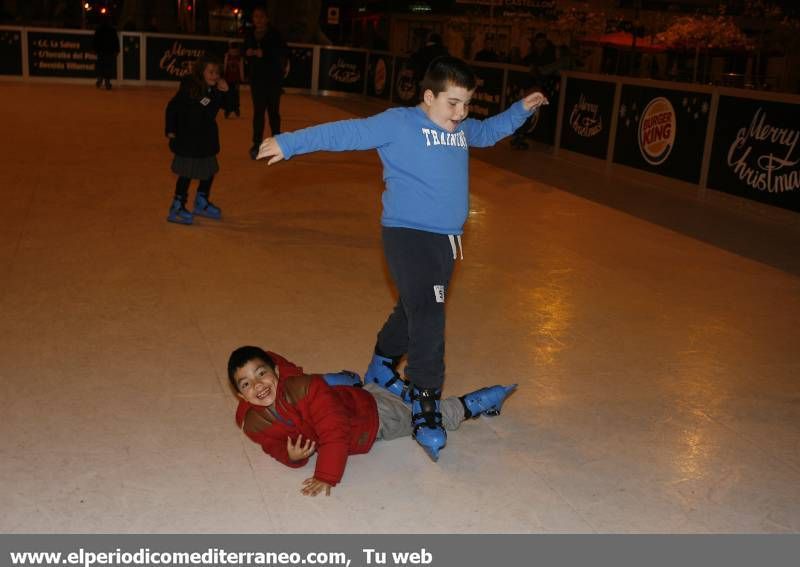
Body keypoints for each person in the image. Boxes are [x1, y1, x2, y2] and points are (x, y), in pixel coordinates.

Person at [256, 56, 547, 461]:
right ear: (428, 97)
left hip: (447, 241)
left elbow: (490, 130)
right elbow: (347, 132)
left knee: (415, 307)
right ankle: (427, 403)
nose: (460, 113)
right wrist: (290, 143)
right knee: (429, 314)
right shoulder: (400, 123)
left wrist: (520, 110)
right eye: (452, 103)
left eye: (466, 104)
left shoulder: (461, 128)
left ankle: (381, 363)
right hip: (407, 235)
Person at [229, 346, 516, 496]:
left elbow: (335, 432)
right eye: (246, 384)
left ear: (276, 371)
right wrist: (291, 457)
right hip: (351, 399)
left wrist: (326, 475)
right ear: (241, 396)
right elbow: (272, 445)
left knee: (427, 417)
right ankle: (360, 382)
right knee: (371, 394)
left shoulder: (304, 389)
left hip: (373, 418)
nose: (258, 385)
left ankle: (476, 402)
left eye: (262, 373)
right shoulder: (255, 422)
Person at [164, 56, 229, 225]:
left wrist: (224, 92)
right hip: (187, 138)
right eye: (211, 72)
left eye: (217, 73)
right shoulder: (190, 87)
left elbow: (222, 108)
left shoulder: (212, 89)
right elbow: (173, 107)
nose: (215, 76)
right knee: (186, 173)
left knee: (209, 170)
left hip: (205, 139)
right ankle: (177, 206)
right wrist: (170, 129)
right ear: (201, 71)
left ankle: (201, 201)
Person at [244, 5, 288, 159]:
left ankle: (278, 142)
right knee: (258, 113)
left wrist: (266, 53)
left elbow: (283, 52)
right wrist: (247, 53)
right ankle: (257, 144)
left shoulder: (275, 34)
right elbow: (246, 52)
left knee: (273, 112)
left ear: (267, 18)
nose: (259, 20)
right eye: (256, 17)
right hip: (257, 80)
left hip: (273, 80)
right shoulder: (249, 34)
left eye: (261, 16)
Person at [512, 32, 560, 150]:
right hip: (533, 90)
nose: (540, 45)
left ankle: (522, 135)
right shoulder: (533, 56)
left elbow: (544, 72)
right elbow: (522, 65)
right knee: (526, 112)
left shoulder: (550, 56)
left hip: (544, 91)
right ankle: (519, 135)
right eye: (538, 42)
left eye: (542, 42)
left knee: (534, 115)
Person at [92, 17, 119, 90]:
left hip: (101, 51)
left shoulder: (99, 30)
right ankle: (107, 81)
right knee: (108, 66)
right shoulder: (112, 30)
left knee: (101, 65)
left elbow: (95, 40)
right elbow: (116, 41)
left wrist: (94, 49)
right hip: (109, 51)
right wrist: (117, 50)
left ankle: (100, 78)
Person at [223, 41, 245, 118]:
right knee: (228, 94)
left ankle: (236, 108)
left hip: (236, 80)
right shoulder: (227, 56)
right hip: (228, 79)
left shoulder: (240, 58)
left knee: (235, 94)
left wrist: (242, 78)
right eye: (232, 50)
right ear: (229, 50)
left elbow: (241, 68)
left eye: (235, 51)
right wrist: (223, 76)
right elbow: (225, 66)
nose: (233, 52)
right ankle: (228, 109)